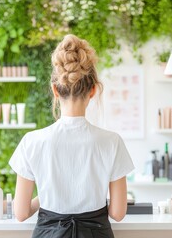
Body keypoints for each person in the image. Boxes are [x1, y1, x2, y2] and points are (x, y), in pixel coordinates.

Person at [9, 34, 134, 238]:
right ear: (93, 90)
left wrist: (48, 193)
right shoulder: (112, 142)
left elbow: (21, 213)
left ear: (55, 90)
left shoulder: (31, 141)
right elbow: (118, 213)